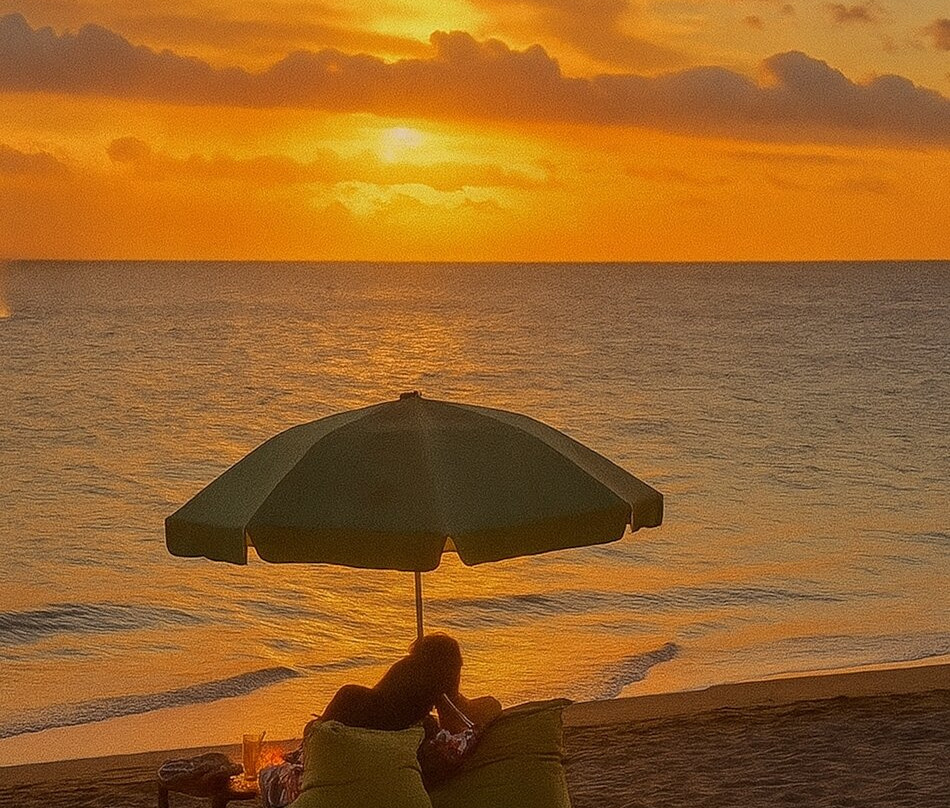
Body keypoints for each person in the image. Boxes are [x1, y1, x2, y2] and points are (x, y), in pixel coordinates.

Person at [320, 633, 501, 734]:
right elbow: (452, 724)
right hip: (374, 720)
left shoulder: (406, 666)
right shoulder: (433, 680)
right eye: (457, 666)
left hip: (353, 708)